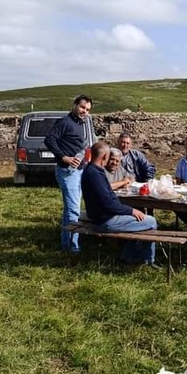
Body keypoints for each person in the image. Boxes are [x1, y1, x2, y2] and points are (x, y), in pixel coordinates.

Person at [81, 141, 158, 266]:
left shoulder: (90, 171)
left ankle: (128, 256)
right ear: (105, 157)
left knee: (140, 222)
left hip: (99, 216)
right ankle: (147, 260)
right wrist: (131, 211)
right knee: (150, 221)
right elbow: (108, 203)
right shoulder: (95, 175)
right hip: (105, 220)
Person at [44, 94, 93, 253]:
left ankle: (66, 244)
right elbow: (49, 139)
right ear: (74, 105)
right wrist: (64, 157)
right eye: (82, 107)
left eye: (87, 109)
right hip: (67, 172)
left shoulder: (80, 123)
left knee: (70, 210)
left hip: (78, 171)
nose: (84, 111)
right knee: (73, 210)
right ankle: (73, 248)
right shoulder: (65, 122)